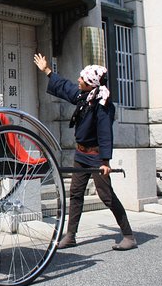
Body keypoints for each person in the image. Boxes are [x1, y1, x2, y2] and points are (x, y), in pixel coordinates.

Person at [33, 53, 137, 251]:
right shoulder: (86, 96)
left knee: (106, 195)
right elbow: (66, 88)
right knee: (76, 193)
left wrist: (105, 161)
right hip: (81, 154)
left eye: (82, 79)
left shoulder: (103, 105)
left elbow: (105, 134)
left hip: (96, 156)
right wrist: (47, 70)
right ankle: (71, 235)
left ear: (92, 84)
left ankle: (129, 235)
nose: (78, 80)